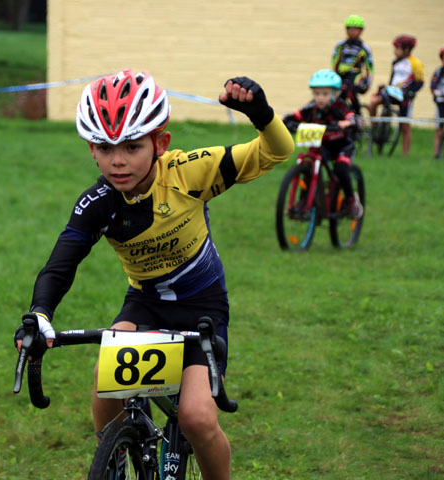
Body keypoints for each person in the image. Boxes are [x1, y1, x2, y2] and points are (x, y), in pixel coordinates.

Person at [15, 69, 294, 479]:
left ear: (160, 143)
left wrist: (263, 115)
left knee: (197, 418)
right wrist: (40, 313)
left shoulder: (189, 172)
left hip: (202, 309)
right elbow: (61, 263)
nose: (118, 160)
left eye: (131, 146)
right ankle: (112, 456)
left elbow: (277, 152)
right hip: (145, 305)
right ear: (91, 150)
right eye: (104, 147)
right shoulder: (100, 201)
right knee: (102, 380)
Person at [283, 69, 363, 219]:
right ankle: (303, 201)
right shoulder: (311, 108)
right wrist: (282, 120)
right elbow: (295, 116)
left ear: (335, 94)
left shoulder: (340, 106)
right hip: (323, 146)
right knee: (310, 165)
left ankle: (351, 200)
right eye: (317, 93)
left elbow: (352, 117)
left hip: (342, 146)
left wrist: (349, 122)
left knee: (340, 169)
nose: (320, 98)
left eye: (325, 94)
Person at [369, 34, 424, 156]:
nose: (395, 51)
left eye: (397, 48)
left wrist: (411, 92)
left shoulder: (415, 63)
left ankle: (405, 154)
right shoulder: (395, 62)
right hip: (393, 92)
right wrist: (385, 88)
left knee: (404, 125)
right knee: (374, 102)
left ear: (406, 49)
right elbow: (393, 79)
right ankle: (375, 126)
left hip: (406, 97)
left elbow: (420, 82)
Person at [331, 14, 374, 115]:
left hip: (356, 76)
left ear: (361, 31)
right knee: (337, 96)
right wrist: (333, 78)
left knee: (351, 90)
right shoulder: (340, 46)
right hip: (341, 75)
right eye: (349, 29)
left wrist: (367, 84)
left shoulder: (365, 48)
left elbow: (369, 68)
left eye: (355, 29)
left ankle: (358, 114)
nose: (352, 31)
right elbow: (334, 63)